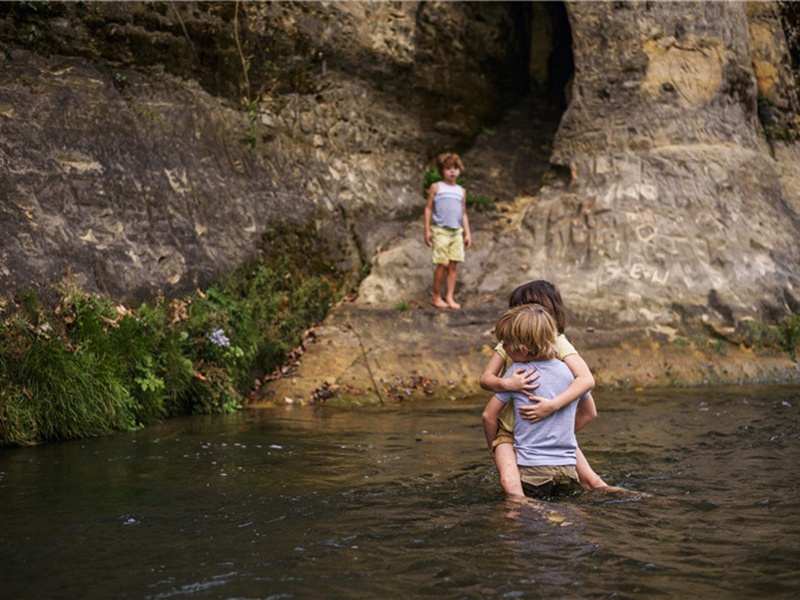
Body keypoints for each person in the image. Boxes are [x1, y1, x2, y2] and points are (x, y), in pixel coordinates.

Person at [480, 280, 610, 496]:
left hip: (540, 424)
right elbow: (485, 378)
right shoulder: (509, 341)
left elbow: (586, 379)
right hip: (511, 426)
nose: (518, 315)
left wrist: (552, 419)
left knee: (591, 480)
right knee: (514, 481)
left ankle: (520, 508)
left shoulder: (558, 343)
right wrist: (506, 383)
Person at [423, 152, 472, 309]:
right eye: (448, 168)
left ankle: (449, 297)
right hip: (440, 230)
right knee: (442, 264)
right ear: (442, 171)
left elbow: (463, 213)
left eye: (455, 168)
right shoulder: (436, 187)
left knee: (452, 265)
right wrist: (427, 230)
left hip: (456, 232)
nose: (452, 172)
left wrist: (467, 233)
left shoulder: (461, 191)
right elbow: (429, 208)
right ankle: (436, 296)